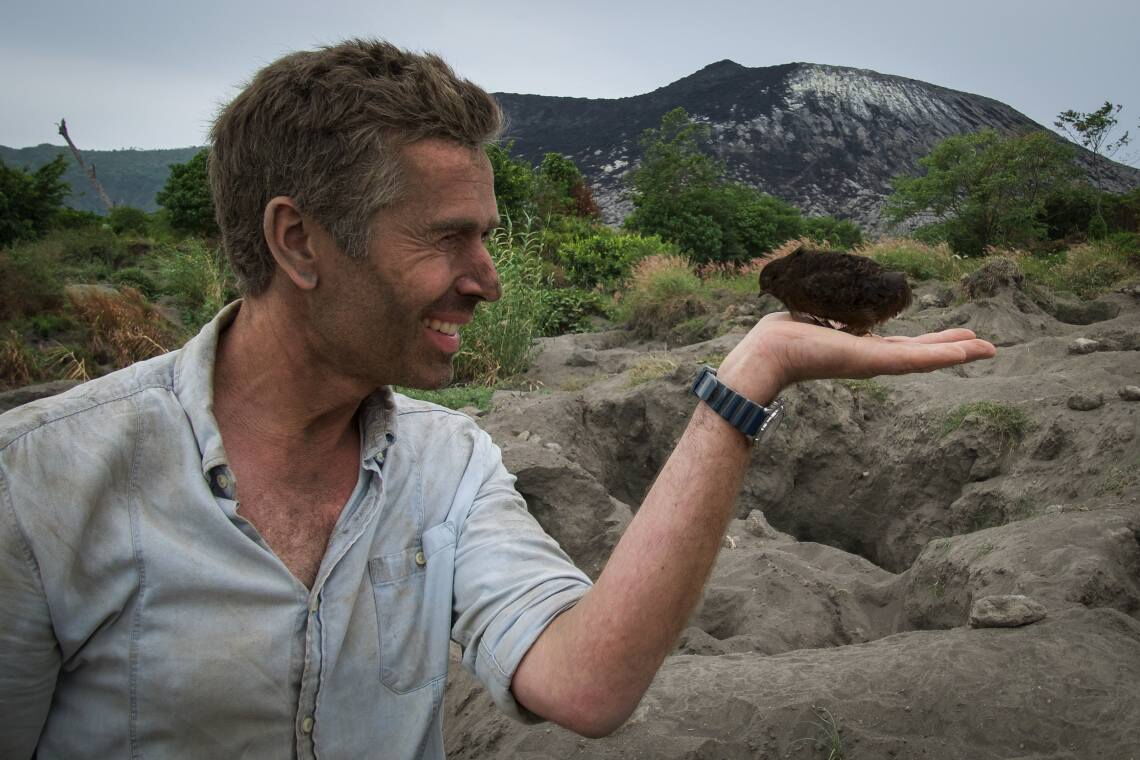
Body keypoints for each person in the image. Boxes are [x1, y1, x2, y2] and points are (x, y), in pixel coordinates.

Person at [0, 39, 995, 760]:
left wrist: (746, 383)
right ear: (298, 242)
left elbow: (586, 681)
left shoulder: (450, 463)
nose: (489, 278)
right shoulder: (38, 486)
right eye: (447, 238)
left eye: (488, 236)